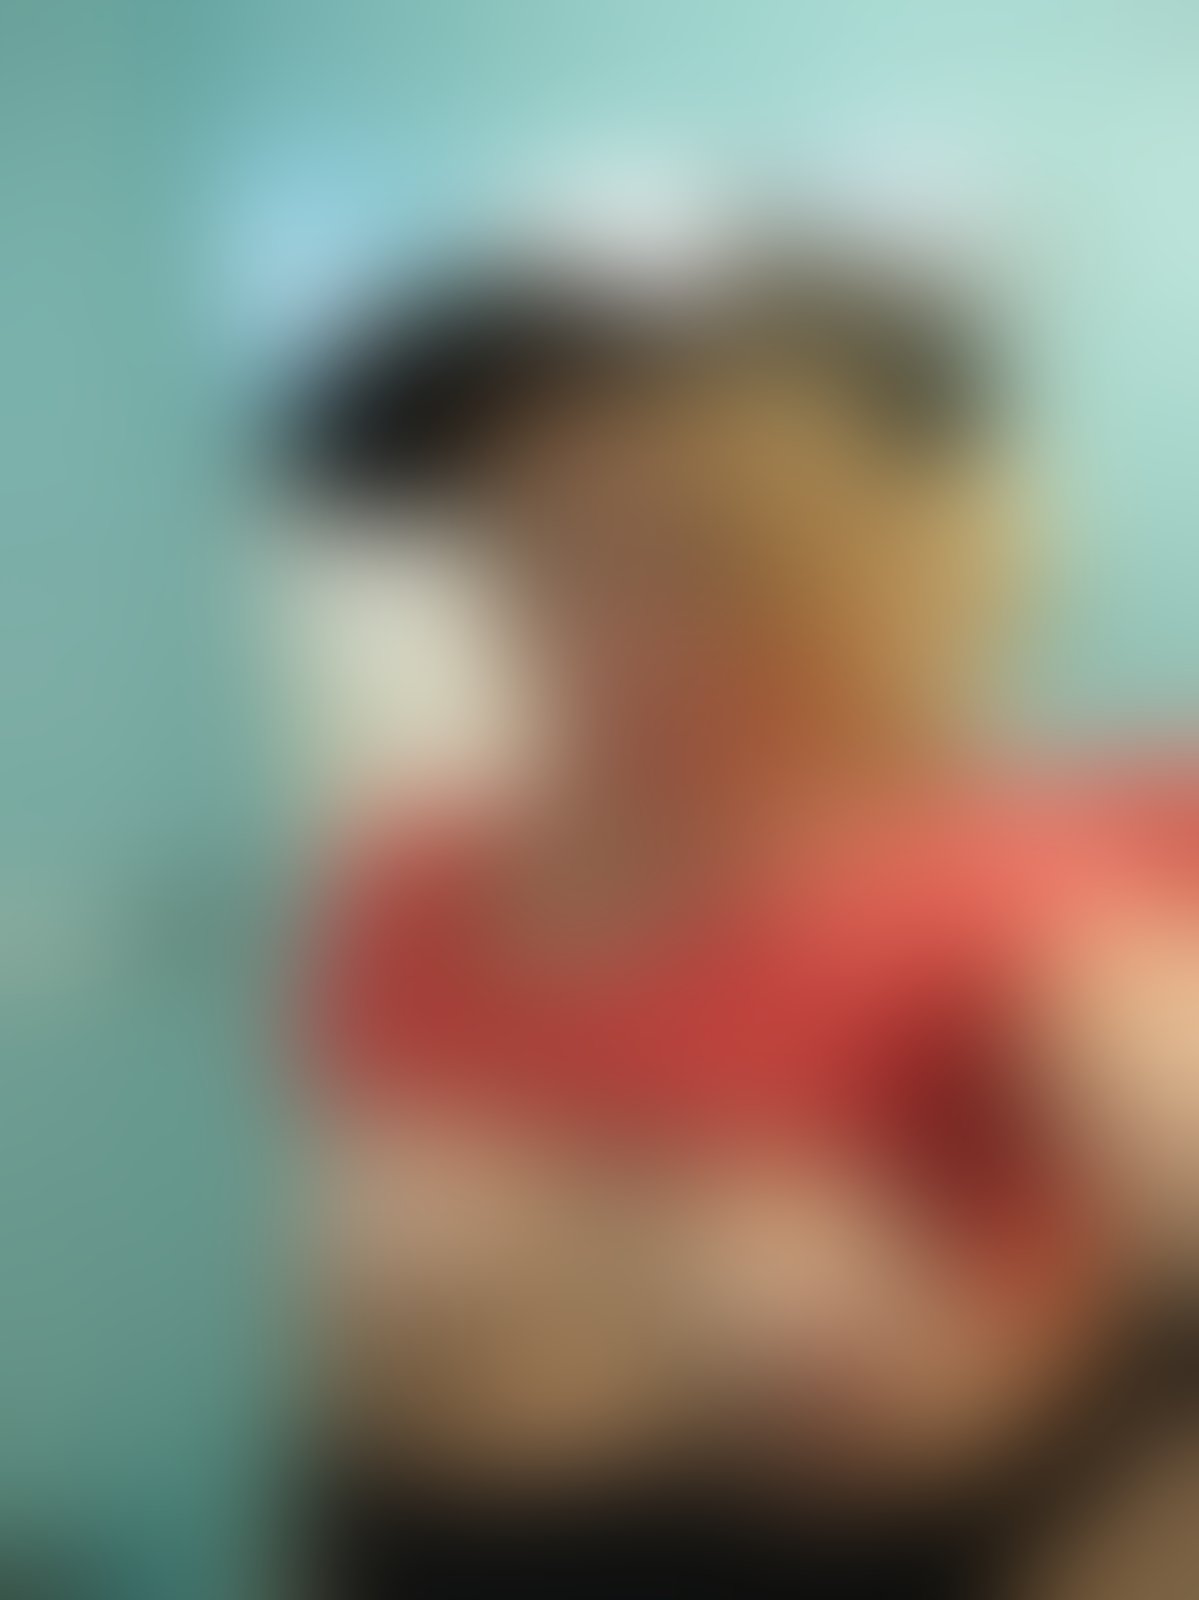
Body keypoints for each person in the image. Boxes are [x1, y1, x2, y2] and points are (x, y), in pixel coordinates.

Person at [287, 227, 1196, 1595]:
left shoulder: (1029, 889)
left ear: (888, 562)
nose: (572, 625)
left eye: (677, 556)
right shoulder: (411, 881)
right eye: (527, 546)